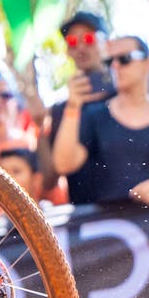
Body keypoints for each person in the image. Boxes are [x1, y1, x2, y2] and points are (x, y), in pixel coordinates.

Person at [53, 36, 149, 206]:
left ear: (147, 63)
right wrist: (73, 106)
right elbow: (63, 165)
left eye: (125, 59)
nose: (115, 65)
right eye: (109, 61)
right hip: (110, 229)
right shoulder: (94, 116)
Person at [40, 11, 115, 204]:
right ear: (67, 51)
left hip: (137, 213)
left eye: (88, 38)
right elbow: (50, 179)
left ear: (106, 43)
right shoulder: (59, 110)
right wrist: (40, 126)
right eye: (72, 42)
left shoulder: (125, 95)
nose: (81, 47)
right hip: (85, 220)